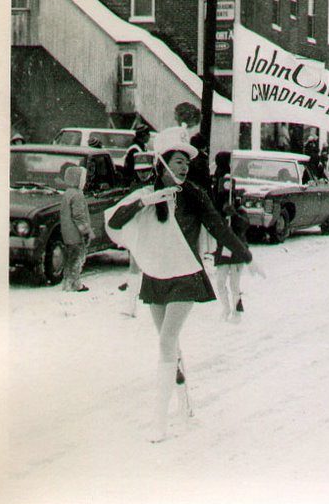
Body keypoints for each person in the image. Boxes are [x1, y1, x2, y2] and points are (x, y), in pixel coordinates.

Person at [104, 126, 254, 442]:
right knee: (168, 343)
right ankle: (184, 398)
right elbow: (114, 222)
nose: (184, 167)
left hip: (187, 275)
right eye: (177, 161)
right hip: (157, 276)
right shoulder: (146, 194)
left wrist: (246, 256)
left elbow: (219, 228)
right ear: (162, 163)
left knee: (166, 340)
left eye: (186, 162)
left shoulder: (195, 194)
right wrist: (146, 202)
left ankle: (159, 420)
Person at [119, 156, 156, 317]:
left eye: (146, 171)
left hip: (153, 230)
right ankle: (131, 305)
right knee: (134, 266)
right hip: (137, 229)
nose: (142, 174)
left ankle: (154, 304)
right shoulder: (133, 186)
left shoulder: (156, 186)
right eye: (139, 171)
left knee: (153, 267)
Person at [213, 172, 252, 323]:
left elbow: (244, 225)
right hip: (223, 250)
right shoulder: (217, 212)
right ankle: (226, 308)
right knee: (220, 283)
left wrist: (234, 215)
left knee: (234, 284)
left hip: (237, 251)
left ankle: (237, 312)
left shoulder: (239, 209)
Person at [60, 166, 95, 292]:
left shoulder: (67, 193)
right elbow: (79, 216)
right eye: (83, 179)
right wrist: (85, 231)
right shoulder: (77, 195)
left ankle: (67, 282)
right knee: (77, 259)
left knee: (70, 259)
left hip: (67, 233)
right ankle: (75, 284)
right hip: (76, 234)